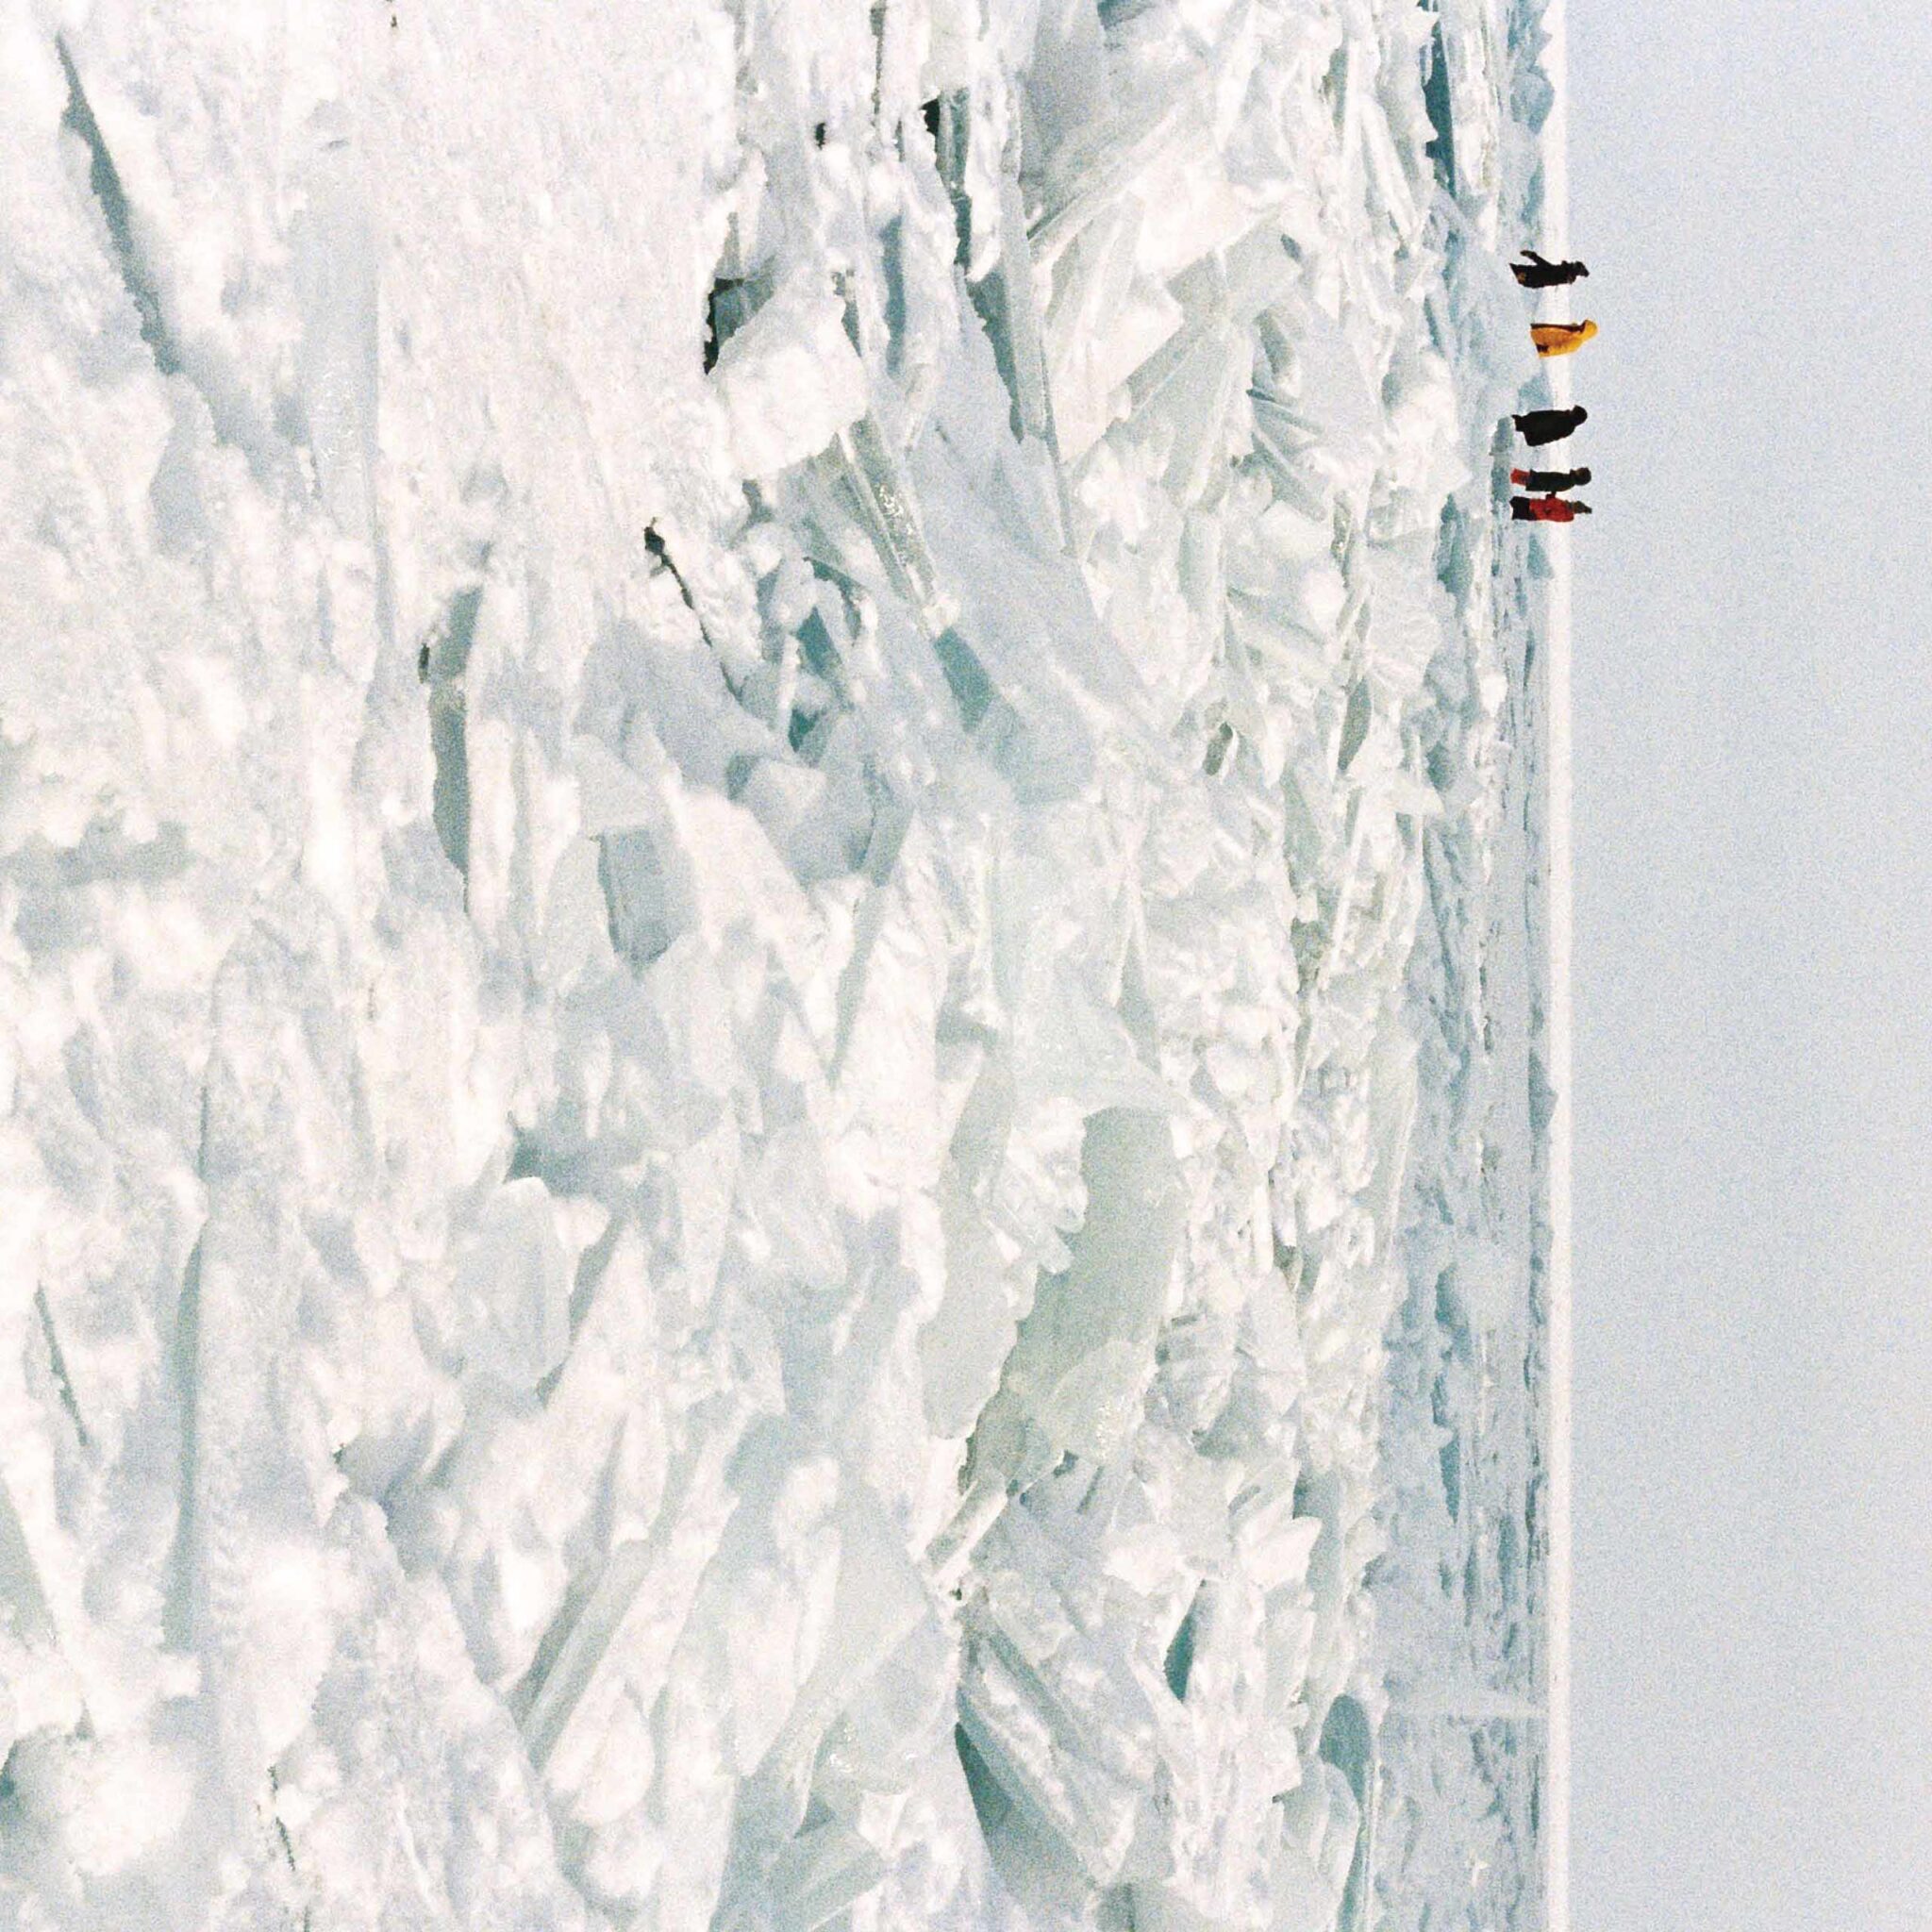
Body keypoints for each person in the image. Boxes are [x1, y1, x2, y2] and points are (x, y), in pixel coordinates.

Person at [1513, 404, 1587, 446]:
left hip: (1530, 429)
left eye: (1572, 411)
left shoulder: (1565, 423)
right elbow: (1546, 415)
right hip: (1528, 425)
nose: (1569, 410)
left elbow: (1547, 431)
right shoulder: (1565, 419)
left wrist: (1528, 429)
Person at [1512, 250, 1589, 289]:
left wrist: (1531, 255)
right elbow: (1545, 267)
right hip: (1527, 277)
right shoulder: (1561, 275)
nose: (1571, 263)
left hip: (1526, 276)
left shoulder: (1558, 273)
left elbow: (1545, 267)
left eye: (1573, 265)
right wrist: (1531, 255)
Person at [1531, 320, 1597, 357]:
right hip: (1533, 333)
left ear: (1586, 332)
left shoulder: (1576, 342)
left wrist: (1535, 348)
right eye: (1583, 324)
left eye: (1583, 327)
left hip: (1536, 345)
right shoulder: (1573, 328)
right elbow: (1552, 327)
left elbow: (1556, 350)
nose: (1581, 326)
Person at [1511, 494, 1591, 523]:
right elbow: (1551, 503)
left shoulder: (1565, 515)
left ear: (1575, 509)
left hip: (1533, 512)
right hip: (1532, 503)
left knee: (1510, 511)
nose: (1572, 502)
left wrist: (1550, 499)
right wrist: (1551, 496)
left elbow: (1550, 513)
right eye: (1574, 502)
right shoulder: (1565, 504)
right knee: (1512, 500)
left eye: (1574, 503)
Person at [1510, 465, 1591, 492]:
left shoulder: (1568, 481)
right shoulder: (1569, 481)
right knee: (1512, 474)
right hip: (1535, 480)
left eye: (1581, 469)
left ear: (1580, 475)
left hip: (1534, 480)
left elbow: (1551, 483)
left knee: (1512, 475)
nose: (1579, 468)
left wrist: (1534, 479)